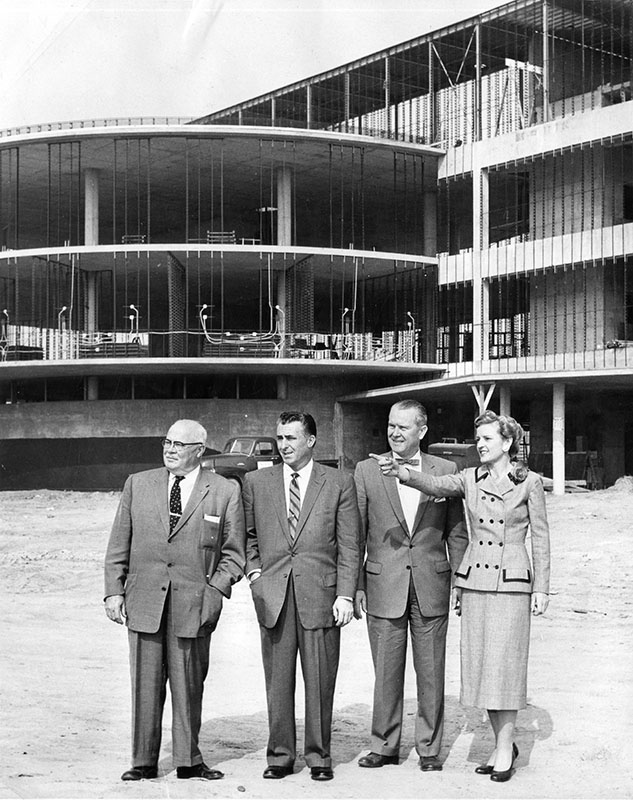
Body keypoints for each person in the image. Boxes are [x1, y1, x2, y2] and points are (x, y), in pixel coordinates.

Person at [373, 409, 550, 783]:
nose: (480, 445)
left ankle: (504, 748)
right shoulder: (470, 477)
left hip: (513, 582)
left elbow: (543, 539)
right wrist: (403, 473)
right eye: (478, 439)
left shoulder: (529, 482)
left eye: (487, 439)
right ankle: (502, 745)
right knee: (484, 669)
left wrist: (542, 587)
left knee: (506, 668)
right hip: (476, 581)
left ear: (507, 443)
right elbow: (437, 486)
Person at [104, 419, 245, 782]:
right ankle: (143, 761)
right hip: (144, 601)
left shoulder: (224, 490)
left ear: (199, 450)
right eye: (166, 441)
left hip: (194, 603)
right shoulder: (138, 484)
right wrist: (113, 591)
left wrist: (215, 589)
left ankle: (188, 760)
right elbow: (119, 542)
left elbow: (234, 554)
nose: (170, 449)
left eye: (179, 444)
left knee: (188, 685)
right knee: (145, 685)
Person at [242, 411, 360, 782]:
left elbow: (350, 545)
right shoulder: (256, 482)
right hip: (274, 595)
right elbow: (247, 538)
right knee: (278, 680)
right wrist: (256, 575)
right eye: (280, 438)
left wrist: (344, 594)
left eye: (292, 438)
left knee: (321, 679)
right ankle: (279, 755)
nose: (285, 445)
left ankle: (319, 755)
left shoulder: (339, 482)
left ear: (311, 440)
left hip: (322, 595)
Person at [354, 399, 468, 772]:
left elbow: (457, 532)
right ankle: (383, 745)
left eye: (403, 427)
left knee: (431, 671)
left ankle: (429, 748)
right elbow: (354, 534)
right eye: (390, 425)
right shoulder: (367, 471)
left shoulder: (446, 470)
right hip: (383, 585)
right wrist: (355, 586)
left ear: (422, 431)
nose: (394, 432)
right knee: (385, 671)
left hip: (431, 583)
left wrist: (460, 581)